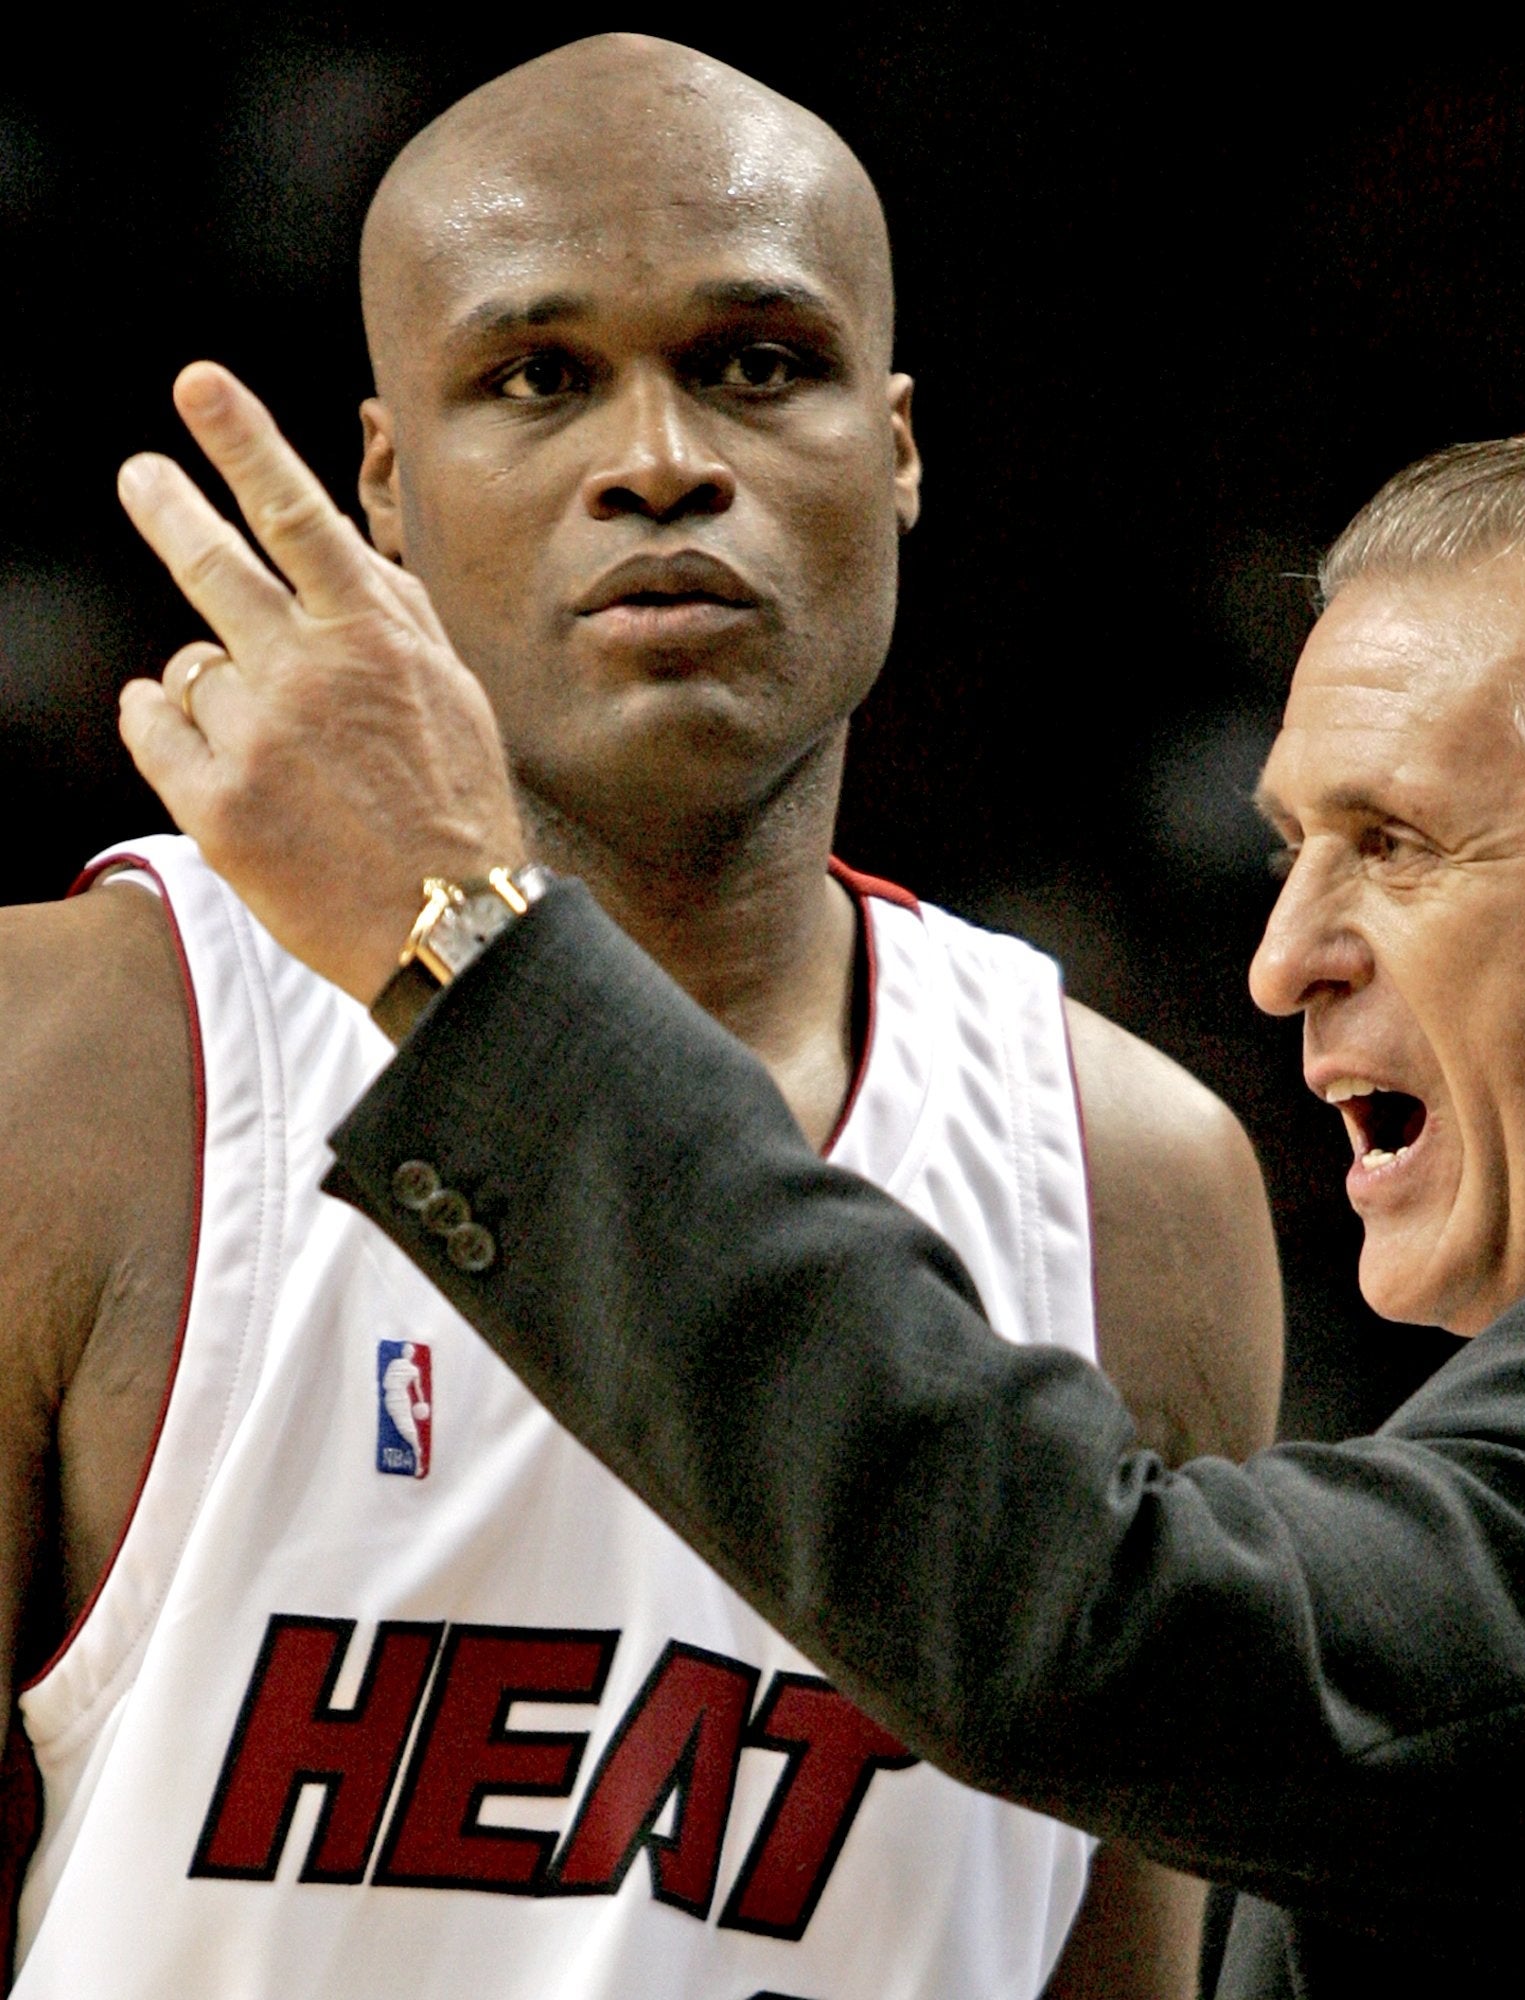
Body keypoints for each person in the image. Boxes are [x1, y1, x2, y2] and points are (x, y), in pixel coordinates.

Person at [118, 393, 1525, 1995]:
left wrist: (474, 963)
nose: (1284, 958)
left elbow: (1096, 1617)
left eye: (1394, 842)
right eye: (1290, 848)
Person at [0, 34, 1284, 1998]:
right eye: (539, 377)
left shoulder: (1139, 1187)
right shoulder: (78, 1059)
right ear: (385, 485)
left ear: (899, 447)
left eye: (757, 363)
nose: (662, 457)